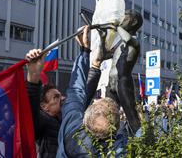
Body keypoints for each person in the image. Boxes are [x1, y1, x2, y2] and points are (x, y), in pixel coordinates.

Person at [56, 26, 128, 157]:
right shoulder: (120, 150)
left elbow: (76, 90)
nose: (95, 99)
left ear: (84, 120)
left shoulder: (71, 129)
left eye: (95, 102)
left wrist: (85, 52)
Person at [107, 9, 143, 134]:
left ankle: (142, 141)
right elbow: (105, 53)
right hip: (111, 82)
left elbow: (127, 39)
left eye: (125, 16)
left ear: (134, 22)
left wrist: (116, 27)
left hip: (123, 82)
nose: (122, 19)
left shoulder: (134, 42)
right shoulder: (119, 44)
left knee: (131, 114)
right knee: (108, 115)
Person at [25, 51, 65, 158]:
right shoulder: (43, 120)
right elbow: (31, 106)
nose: (62, 99)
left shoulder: (64, 117)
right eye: (56, 97)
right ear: (44, 106)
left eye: (60, 95)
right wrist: (33, 74)